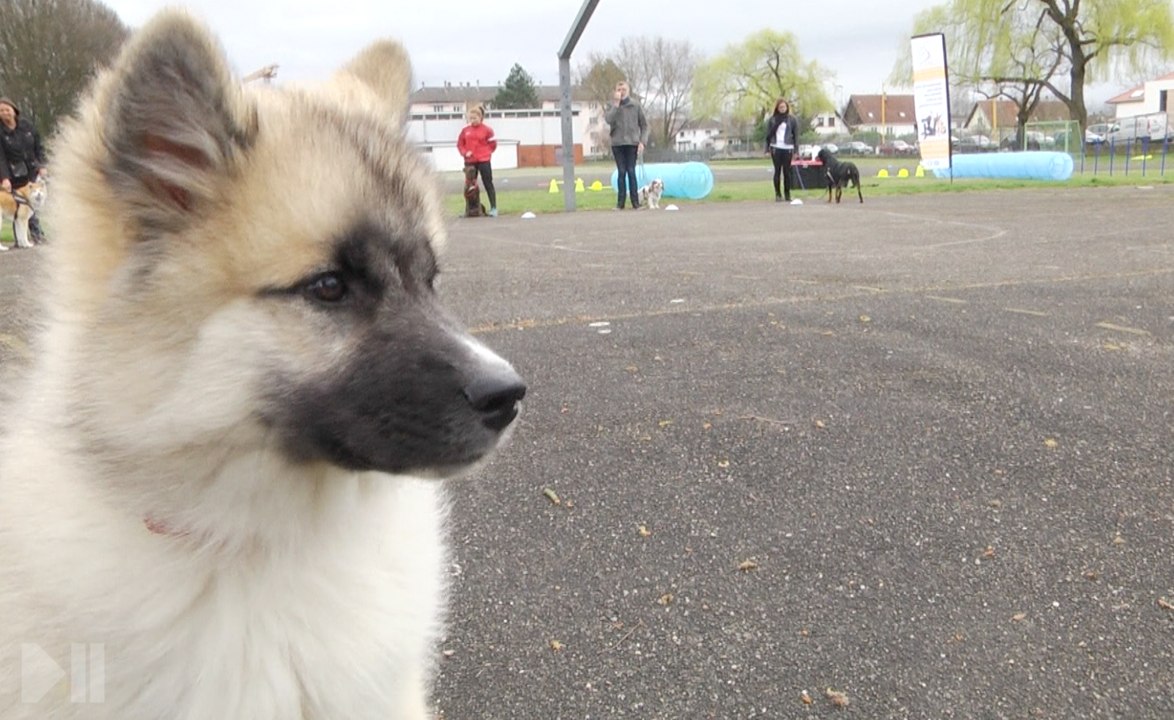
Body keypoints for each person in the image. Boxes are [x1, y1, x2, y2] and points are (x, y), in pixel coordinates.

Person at [0, 96, 47, 242]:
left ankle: (36, 234)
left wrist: (42, 165)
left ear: (14, 110)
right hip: (14, 173)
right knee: (19, 206)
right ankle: (21, 240)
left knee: (32, 205)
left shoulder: (26, 126)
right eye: (1, 111)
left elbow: (38, 146)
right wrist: (4, 177)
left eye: (7, 109)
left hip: (31, 169)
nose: (4, 113)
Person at [605, 81, 648, 210]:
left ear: (628, 91)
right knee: (621, 172)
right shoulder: (612, 106)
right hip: (617, 143)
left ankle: (636, 203)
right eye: (619, 90)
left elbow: (644, 125)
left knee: (631, 171)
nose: (621, 92)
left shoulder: (635, 105)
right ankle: (620, 203)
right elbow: (608, 120)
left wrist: (642, 141)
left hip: (632, 143)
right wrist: (616, 105)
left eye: (623, 89)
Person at [457, 105, 498, 217]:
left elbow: (493, 144)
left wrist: (486, 152)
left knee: (488, 182)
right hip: (470, 161)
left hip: (484, 160)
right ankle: (469, 210)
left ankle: (493, 208)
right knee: (469, 186)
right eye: (471, 118)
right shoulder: (465, 131)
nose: (472, 121)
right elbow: (460, 144)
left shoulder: (488, 130)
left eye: (475, 118)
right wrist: (465, 153)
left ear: (480, 117)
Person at [765, 98, 801, 205]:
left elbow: (796, 136)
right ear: (777, 108)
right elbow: (768, 135)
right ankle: (777, 194)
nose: (782, 109)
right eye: (780, 107)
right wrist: (767, 149)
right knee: (777, 171)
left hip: (788, 148)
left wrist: (796, 150)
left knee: (787, 172)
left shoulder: (792, 120)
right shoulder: (772, 120)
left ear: (787, 108)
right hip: (776, 147)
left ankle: (787, 194)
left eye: (784, 107)